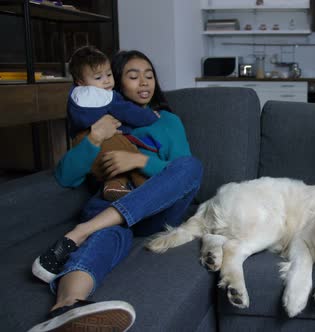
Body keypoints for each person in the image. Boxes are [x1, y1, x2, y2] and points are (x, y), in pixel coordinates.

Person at [29, 50, 203, 332]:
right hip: (111, 201)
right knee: (105, 237)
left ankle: (81, 231)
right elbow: (66, 177)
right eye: (133, 76)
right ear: (115, 85)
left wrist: (140, 161)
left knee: (192, 166)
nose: (144, 82)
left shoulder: (169, 121)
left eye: (149, 76)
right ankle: (65, 308)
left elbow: (182, 174)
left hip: (157, 210)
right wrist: (97, 137)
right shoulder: (99, 121)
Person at [67, 45, 158, 201]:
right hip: (106, 141)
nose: (106, 81)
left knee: (116, 171)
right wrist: (151, 116)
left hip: (81, 143)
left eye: (108, 74)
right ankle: (148, 191)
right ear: (80, 81)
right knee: (133, 160)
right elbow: (131, 113)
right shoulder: (106, 97)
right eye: (98, 78)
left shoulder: (75, 98)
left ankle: (113, 186)